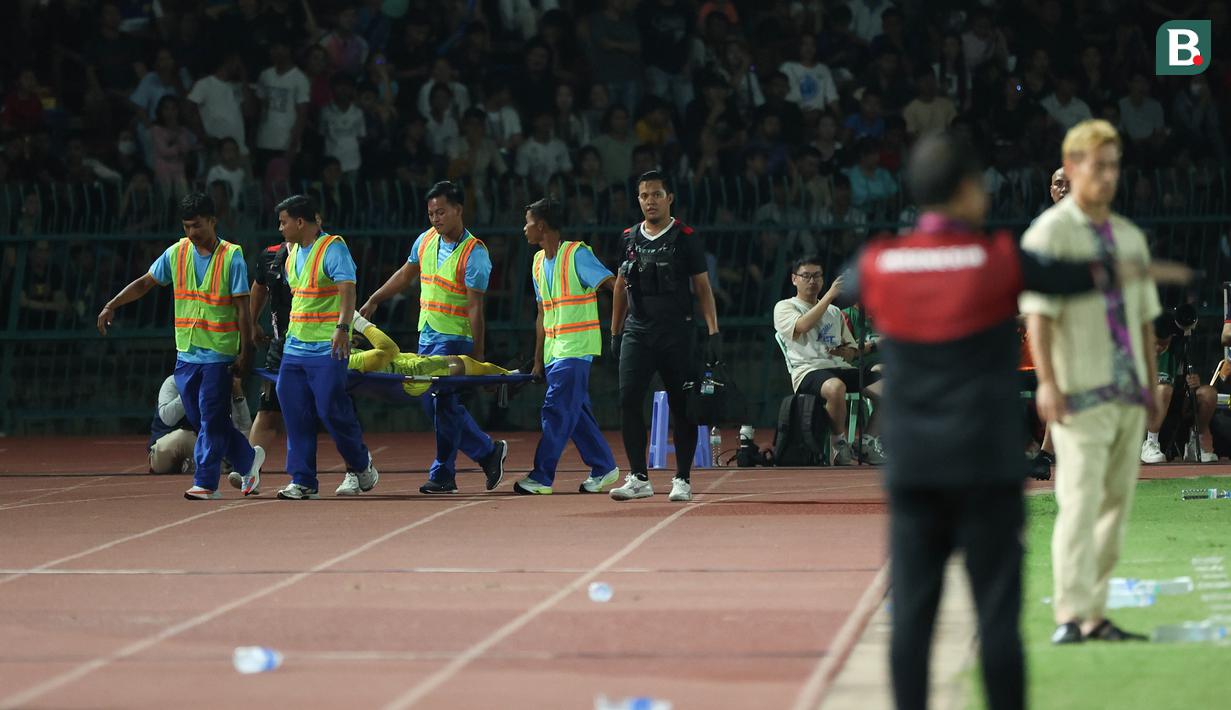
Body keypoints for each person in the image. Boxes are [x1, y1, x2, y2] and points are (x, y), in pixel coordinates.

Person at [854, 132, 1181, 710]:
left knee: (913, 617)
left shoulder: (879, 261)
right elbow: (1073, 278)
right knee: (997, 616)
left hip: (914, 468)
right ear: (965, 190)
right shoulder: (998, 258)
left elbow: (850, 281)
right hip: (985, 462)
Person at [1020, 119, 1164, 645]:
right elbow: (1039, 315)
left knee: (1114, 509)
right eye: (1095, 165)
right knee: (1079, 503)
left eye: (1112, 165)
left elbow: (1145, 320)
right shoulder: (1049, 233)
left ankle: (1096, 615)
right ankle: (1069, 616)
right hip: (1079, 391)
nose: (1106, 175)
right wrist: (1048, 384)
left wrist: (1150, 387)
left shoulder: (1129, 237)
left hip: (1128, 394)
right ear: (1073, 167)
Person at [98, 192, 264, 500]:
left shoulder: (232, 256)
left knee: (212, 419)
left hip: (219, 352)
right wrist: (113, 304)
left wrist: (245, 352)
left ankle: (206, 482)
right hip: (186, 353)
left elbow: (242, 308)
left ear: (213, 221)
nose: (192, 233)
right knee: (203, 419)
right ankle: (247, 458)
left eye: (198, 225)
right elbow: (146, 282)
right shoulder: (177, 253)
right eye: (187, 226)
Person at [360, 181, 507, 494]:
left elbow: (475, 308)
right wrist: (375, 299)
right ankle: (486, 452)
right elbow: (405, 273)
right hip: (427, 335)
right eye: (431, 213)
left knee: (439, 403)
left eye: (441, 212)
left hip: (455, 339)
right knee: (437, 404)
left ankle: (443, 473)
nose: (436, 218)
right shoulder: (425, 241)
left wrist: (478, 358)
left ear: (458, 210)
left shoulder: (474, 253)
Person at [608, 170, 721, 503]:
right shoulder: (628, 237)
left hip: (678, 333)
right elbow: (618, 286)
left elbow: (702, 286)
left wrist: (713, 331)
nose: (650, 201)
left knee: (682, 405)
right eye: (644, 195)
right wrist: (615, 331)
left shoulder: (686, 236)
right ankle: (638, 477)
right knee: (628, 400)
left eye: (657, 194)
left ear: (670, 197)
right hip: (638, 333)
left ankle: (682, 478)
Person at [273, 194, 378, 500]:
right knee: (294, 411)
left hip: (326, 347)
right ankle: (303, 479)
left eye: (284, 222)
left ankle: (361, 464)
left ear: (300, 222)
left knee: (331, 409)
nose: (280, 228)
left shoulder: (333, 248)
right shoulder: (292, 253)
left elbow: (348, 290)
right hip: (296, 346)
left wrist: (343, 329)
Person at [514, 197, 620, 495]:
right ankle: (604, 467)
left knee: (556, 411)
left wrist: (620, 327)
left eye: (528, 222)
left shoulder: (577, 254)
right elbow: (541, 313)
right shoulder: (537, 262)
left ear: (542, 225)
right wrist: (537, 360)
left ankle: (541, 476)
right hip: (554, 352)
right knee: (576, 415)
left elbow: (614, 286)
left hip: (576, 348)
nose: (524, 228)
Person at [774, 256, 885, 465]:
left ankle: (866, 443)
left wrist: (847, 352)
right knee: (836, 388)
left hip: (839, 367)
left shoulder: (834, 313)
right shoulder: (785, 307)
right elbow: (802, 326)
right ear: (794, 279)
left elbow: (852, 351)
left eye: (817, 276)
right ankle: (839, 445)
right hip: (808, 370)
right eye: (806, 276)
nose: (812, 281)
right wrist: (830, 296)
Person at [1140, 314, 1218, 464]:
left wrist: (1193, 382)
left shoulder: (1180, 348)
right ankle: (1150, 443)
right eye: (1155, 343)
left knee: (1208, 394)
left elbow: (1192, 379)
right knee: (1163, 389)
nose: (1158, 348)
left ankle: (1195, 446)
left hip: (1176, 402)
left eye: (1163, 345)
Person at [149, 374, 252, 478]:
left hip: (204, 446)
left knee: (234, 443)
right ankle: (210, 463)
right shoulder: (173, 381)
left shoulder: (220, 385)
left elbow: (244, 428)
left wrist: (237, 394)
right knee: (184, 437)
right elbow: (168, 418)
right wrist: (191, 390)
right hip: (167, 450)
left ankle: (196, 464)